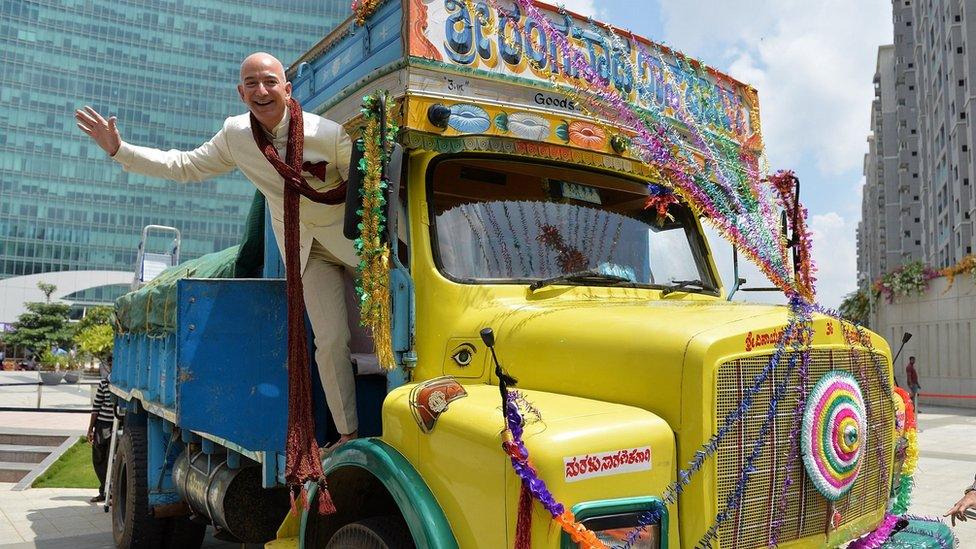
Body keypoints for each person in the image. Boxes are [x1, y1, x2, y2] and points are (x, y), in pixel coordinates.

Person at [74, 52, 358, 448]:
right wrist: (121, 150)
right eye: (252, 84)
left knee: (403, 300)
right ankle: (348, 433)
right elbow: (186, 165)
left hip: (352, 238)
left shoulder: (328, 134)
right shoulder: (236, 136)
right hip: (303, 247)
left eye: (270, 82)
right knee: (329, 340)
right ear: (241, 93)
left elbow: (367, 193)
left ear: (287, 89)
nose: (262, 90)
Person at [88, 357, 115, 503]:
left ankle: (113, 492)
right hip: (102, 425)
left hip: (118, 425)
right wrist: (90, 429)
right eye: (110, 364)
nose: (111, 366)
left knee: (114, 458)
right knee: (99, 458)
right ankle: (104, 491)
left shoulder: (123, 385)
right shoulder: (104, 383)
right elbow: (96, 407)